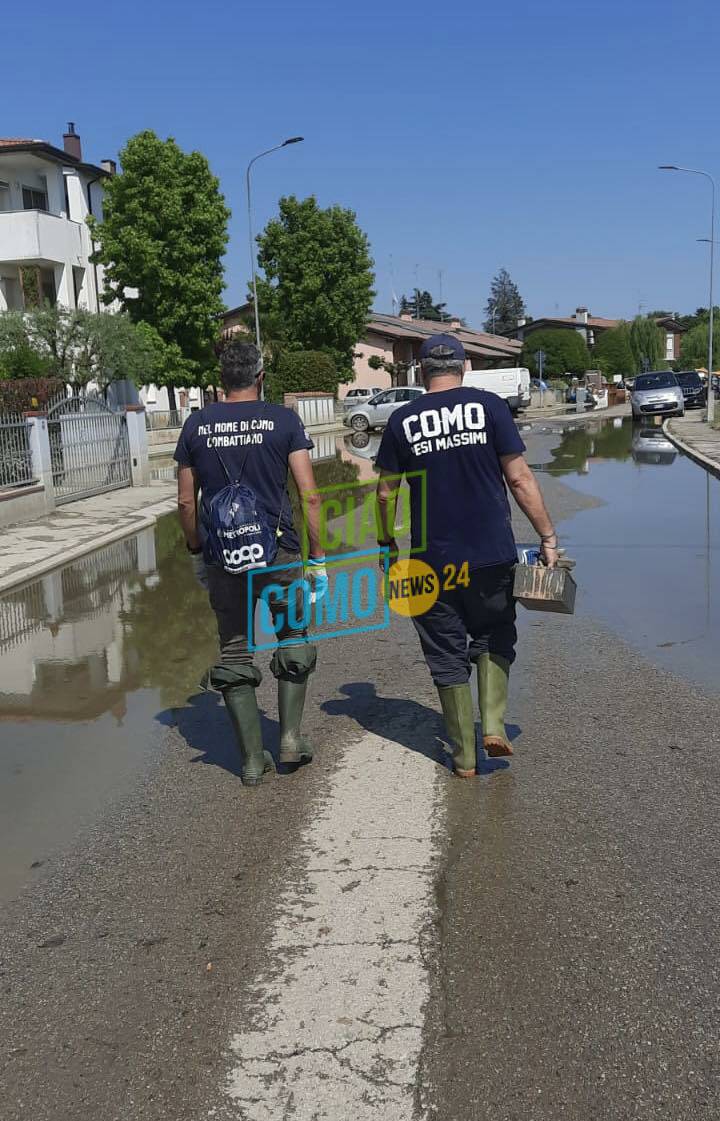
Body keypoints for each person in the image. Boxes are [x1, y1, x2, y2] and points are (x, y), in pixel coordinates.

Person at [375, 334, 559, 778]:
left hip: (431, 561)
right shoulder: (491, 407)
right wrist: (547, 535)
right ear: (466, 365)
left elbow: (384, 493)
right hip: (491, 555)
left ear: (422, 372)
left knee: (445, 649)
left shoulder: (402, 419)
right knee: (494, 633)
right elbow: (519, 479)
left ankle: (463, 758)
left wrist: (387, 544)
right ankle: (493, 724)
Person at [174, 340, 325, 786]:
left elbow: (186, 501)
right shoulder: (283, 420)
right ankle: (291, 742)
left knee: (235, 651)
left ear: (221, 379)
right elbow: (309, 494)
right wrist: (317, 558)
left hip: (224, 557)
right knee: (293, 636)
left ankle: (251, 761)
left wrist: (196, 552)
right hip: (279, 552)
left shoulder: (196, 425)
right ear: (261, 377)